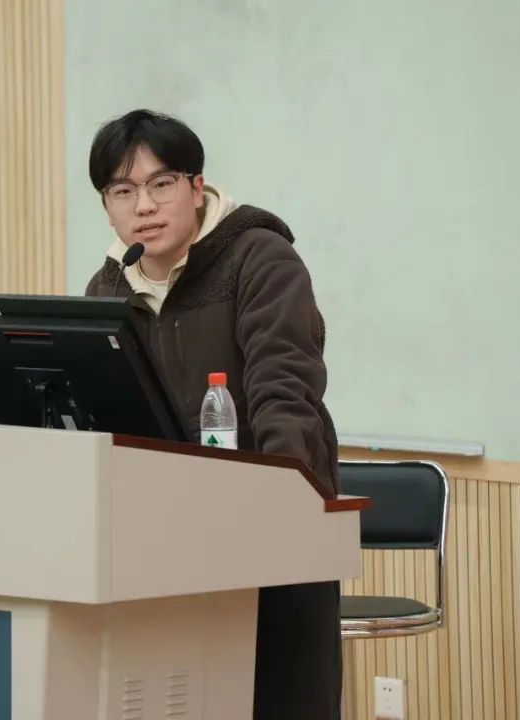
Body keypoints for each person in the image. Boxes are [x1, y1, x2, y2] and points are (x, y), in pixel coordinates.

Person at [83, 108, 343, 718]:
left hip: (273, 530)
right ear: (107, 207)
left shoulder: (260, 259)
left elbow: (285, 389)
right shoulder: (107, 289)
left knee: (281, 699)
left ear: (197, 187)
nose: (144, 206)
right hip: (163, 541)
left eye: (161, 183)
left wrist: (279, 505)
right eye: (123, 192)